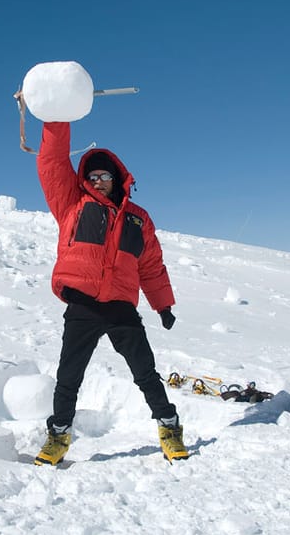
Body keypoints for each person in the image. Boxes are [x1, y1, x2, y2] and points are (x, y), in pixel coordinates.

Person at [33, 118, 188, 465]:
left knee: (145, 371)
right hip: (83, 304)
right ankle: (58, 434)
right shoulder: (72, 204)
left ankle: (169, 426)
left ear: (117, 178)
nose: (98, 182)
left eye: (104, 176)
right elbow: (52, 162)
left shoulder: (138, 218)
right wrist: (57, 116)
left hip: (120, 307)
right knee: (69, 376)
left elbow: (150, 266)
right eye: (92, 177)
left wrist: (162, 305)